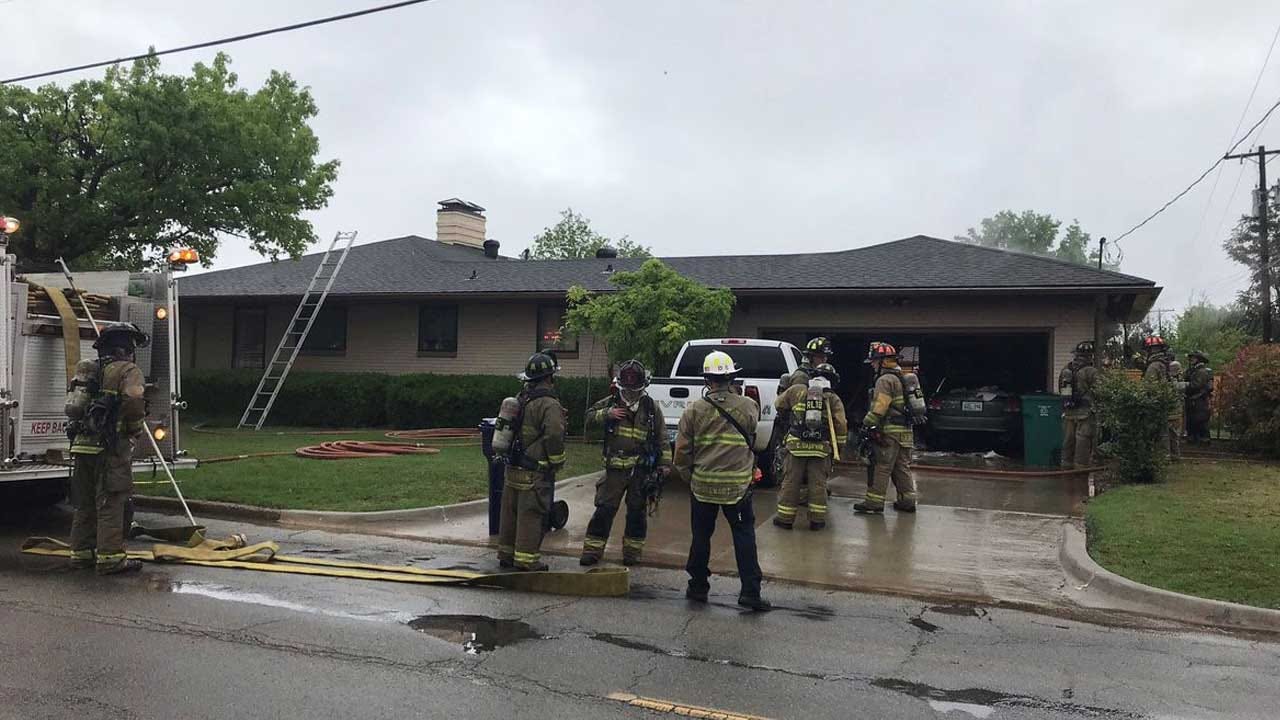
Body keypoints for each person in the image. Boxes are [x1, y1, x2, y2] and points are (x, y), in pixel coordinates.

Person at [673, 350, 770, 611]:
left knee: (701, 537)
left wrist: (690, 478)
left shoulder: (694, 410)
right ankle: (750, 592)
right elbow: (755, 442)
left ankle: (697, 587)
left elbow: (681, 453)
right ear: (732, 377)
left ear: (707, 379)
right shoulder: (749, 406)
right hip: (737, 488)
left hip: (702, 486)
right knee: (744, 537)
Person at [66, 322, 149, 575]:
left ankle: (81, 554)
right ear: (126, 348)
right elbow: (134, 401)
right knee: (111, 501)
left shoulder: (89, 370)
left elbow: (74, 408)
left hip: (81, 446)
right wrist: (134, 429)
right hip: (109, 448)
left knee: (85, 503)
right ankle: (111, 558)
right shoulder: (128, 370)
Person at [580, 360, 672, 566]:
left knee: (637, 513)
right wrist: (606, 414)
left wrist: (665, 464)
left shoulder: (650, 408)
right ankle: (592, 552)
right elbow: (587, 418)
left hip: (640, 470)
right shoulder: (610, 403)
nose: (631, 393)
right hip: (614, 469)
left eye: (635, 389)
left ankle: (632, 554)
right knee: (604, 510)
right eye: (627, 389)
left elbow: (662, 438)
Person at [497, 352, 567, 572]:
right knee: (531, 515)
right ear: (549, 377)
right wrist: (557, 461)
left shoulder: (520, 398)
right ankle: (527, 561)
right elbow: (554, 435)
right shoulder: (549, 404)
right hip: (535, 472)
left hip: (513, 467)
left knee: (511, 514)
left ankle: (506, 555)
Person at [773, 363, 847, 531]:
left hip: (795, 446)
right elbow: (841, 423)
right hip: (820, 449)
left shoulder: (796, 389)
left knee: (791, 482)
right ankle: (817, 520)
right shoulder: (832, 398)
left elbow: (778, 404)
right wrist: (839, 446)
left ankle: (785, 519)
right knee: (818, 484)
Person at [854, 342, 918, 514]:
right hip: (905, 432)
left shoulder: (884, 380)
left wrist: (866, 424)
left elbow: (880, 406)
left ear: (882, 361)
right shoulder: (902, 377)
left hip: (890, 431)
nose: (873, 364)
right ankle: (908, 501)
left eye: (874, 361)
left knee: (881, 466)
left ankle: (874, 503)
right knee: (902, 466)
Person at [768, 337, 833, 488]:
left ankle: (808, 489)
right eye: (821, 356)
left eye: (825, 356)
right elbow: (796, 402)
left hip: (807, 426)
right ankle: (803, 491)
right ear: (811, 357)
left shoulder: (813, 374)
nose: (824, 359)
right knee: (797, 466)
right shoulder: (801, 376)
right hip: (798, 427)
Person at [1058, 341, 1100, 469]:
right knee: (1083, 440)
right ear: (1090, 356)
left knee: (1068, 440)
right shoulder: (1091, 371)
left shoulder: (1066, 369)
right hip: (1085, 413)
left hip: (1068, 411)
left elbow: (1061, 388)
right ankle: (1080, 470)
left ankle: (1065, 467)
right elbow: (1100, 391)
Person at [1142, 336, 1181, 459]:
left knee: (1159, 430)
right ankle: (1173, 455)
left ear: (1150, 350)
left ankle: (1162, 456)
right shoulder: (1165, 363)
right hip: (1166, 400)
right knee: (1168, 430)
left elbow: (1150, 386)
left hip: (1156, 402)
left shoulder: (1153, 366)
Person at [1184, 351, 1214, 445]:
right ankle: (1193, 439)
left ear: (1199, 359)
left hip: (1199, 399)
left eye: (1194, 358)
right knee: (1192, 421)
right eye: (1191, 358)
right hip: (1193, 400)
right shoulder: (1193, 370)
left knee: (1201, 421)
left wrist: (1184, 385)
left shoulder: (1202, 371)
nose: (1191, 359)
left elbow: (1196, 385)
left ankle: (1204, 441)